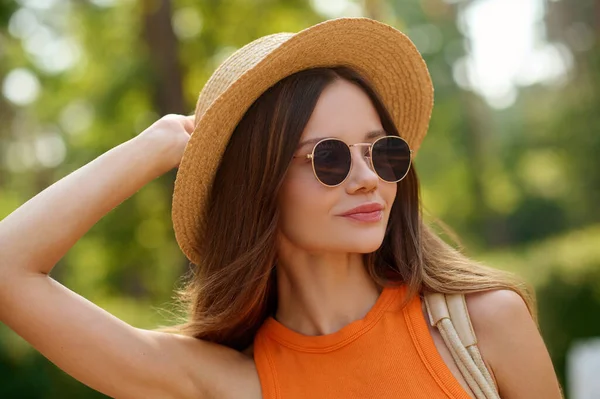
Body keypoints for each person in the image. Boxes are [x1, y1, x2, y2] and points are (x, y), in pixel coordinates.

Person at [0, 17, 562, 399]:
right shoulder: (231, 381)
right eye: (330, 159)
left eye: (382, 152)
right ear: (259, 183)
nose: (369, 179)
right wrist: (163, 143)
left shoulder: (482, 324)